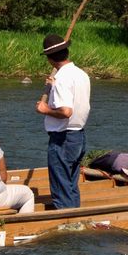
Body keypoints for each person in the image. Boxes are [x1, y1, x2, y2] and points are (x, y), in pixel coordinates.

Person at [36, 33, 91, 210]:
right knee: (70, 184)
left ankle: (67, 224)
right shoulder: (81, 74)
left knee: (61, 187)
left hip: (63, 139)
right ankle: (73, 216)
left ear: (50, 59)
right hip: (78, 137)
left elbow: (66, 111)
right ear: (66, 52)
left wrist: (46, 110)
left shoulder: (62, 79)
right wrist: (53, 87)